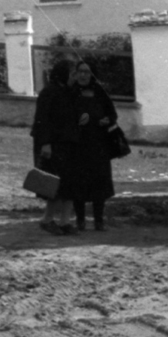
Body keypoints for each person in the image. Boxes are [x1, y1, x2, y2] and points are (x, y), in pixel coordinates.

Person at [38, 55, 119, 231]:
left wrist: (106, 120)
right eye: (78, 72)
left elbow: (112, 114)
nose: (81, 76)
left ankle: (97, 221)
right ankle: (75, 220)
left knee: (98, 182)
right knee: (72, 184)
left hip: (97, 144)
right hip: (75, 144)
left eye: (86, 72)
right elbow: (52, 118)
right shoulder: (66, 91)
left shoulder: (99, 92)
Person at [31, 60, 74, 233]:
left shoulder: (69, 92)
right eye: (72, 74)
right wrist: (46, 144)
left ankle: (65, 221)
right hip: (52, 145)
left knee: (69, 184)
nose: (75, 77)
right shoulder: (49, 92)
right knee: (54, 184)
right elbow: (43, 120)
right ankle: (47, 219)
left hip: (68, 144)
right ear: (63, 74)